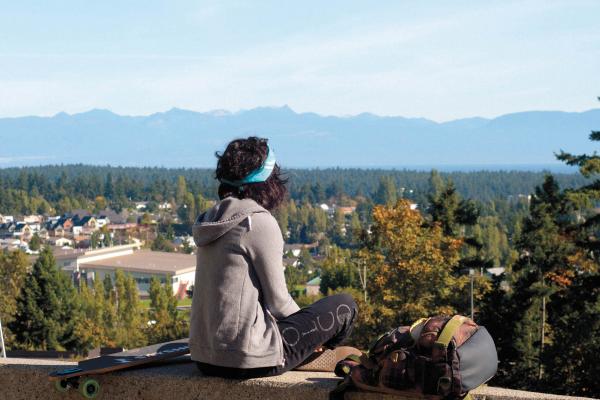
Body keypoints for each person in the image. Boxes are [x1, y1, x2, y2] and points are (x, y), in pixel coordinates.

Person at [190, 136, 358, 378]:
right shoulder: (257, 222)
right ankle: (316, 354)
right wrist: (311, 335)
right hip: (245, 358)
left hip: (204, 358)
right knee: (345, 305)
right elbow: (279, 303)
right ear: (268, 181)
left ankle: (306, 351)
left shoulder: (210, 220)